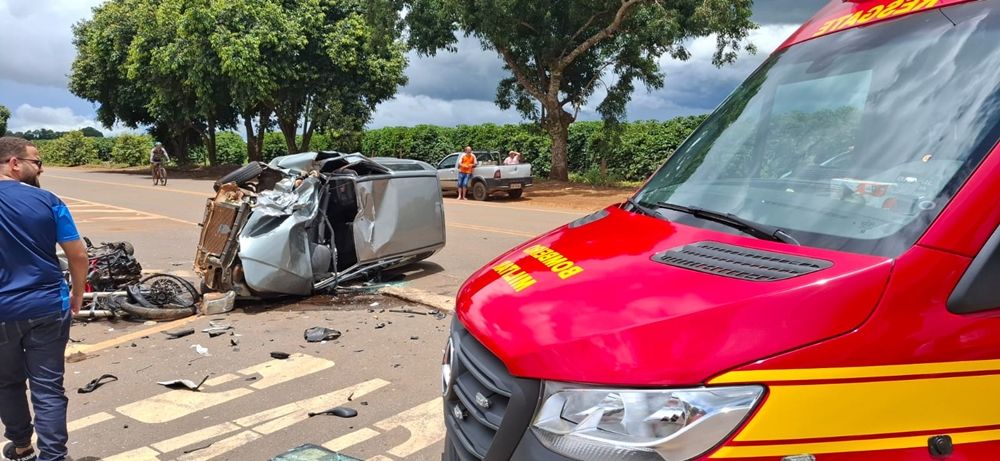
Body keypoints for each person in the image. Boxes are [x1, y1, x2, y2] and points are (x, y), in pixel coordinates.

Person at [0, 136, 87, 461]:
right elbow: (77, 255)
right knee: (48, 387)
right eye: (36, 162)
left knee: (7, 382)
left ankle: (21, 445)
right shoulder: (48, 200)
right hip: (48, 305)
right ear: (14, 163)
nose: (41, 168)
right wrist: (77, 293)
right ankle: (52, 457)